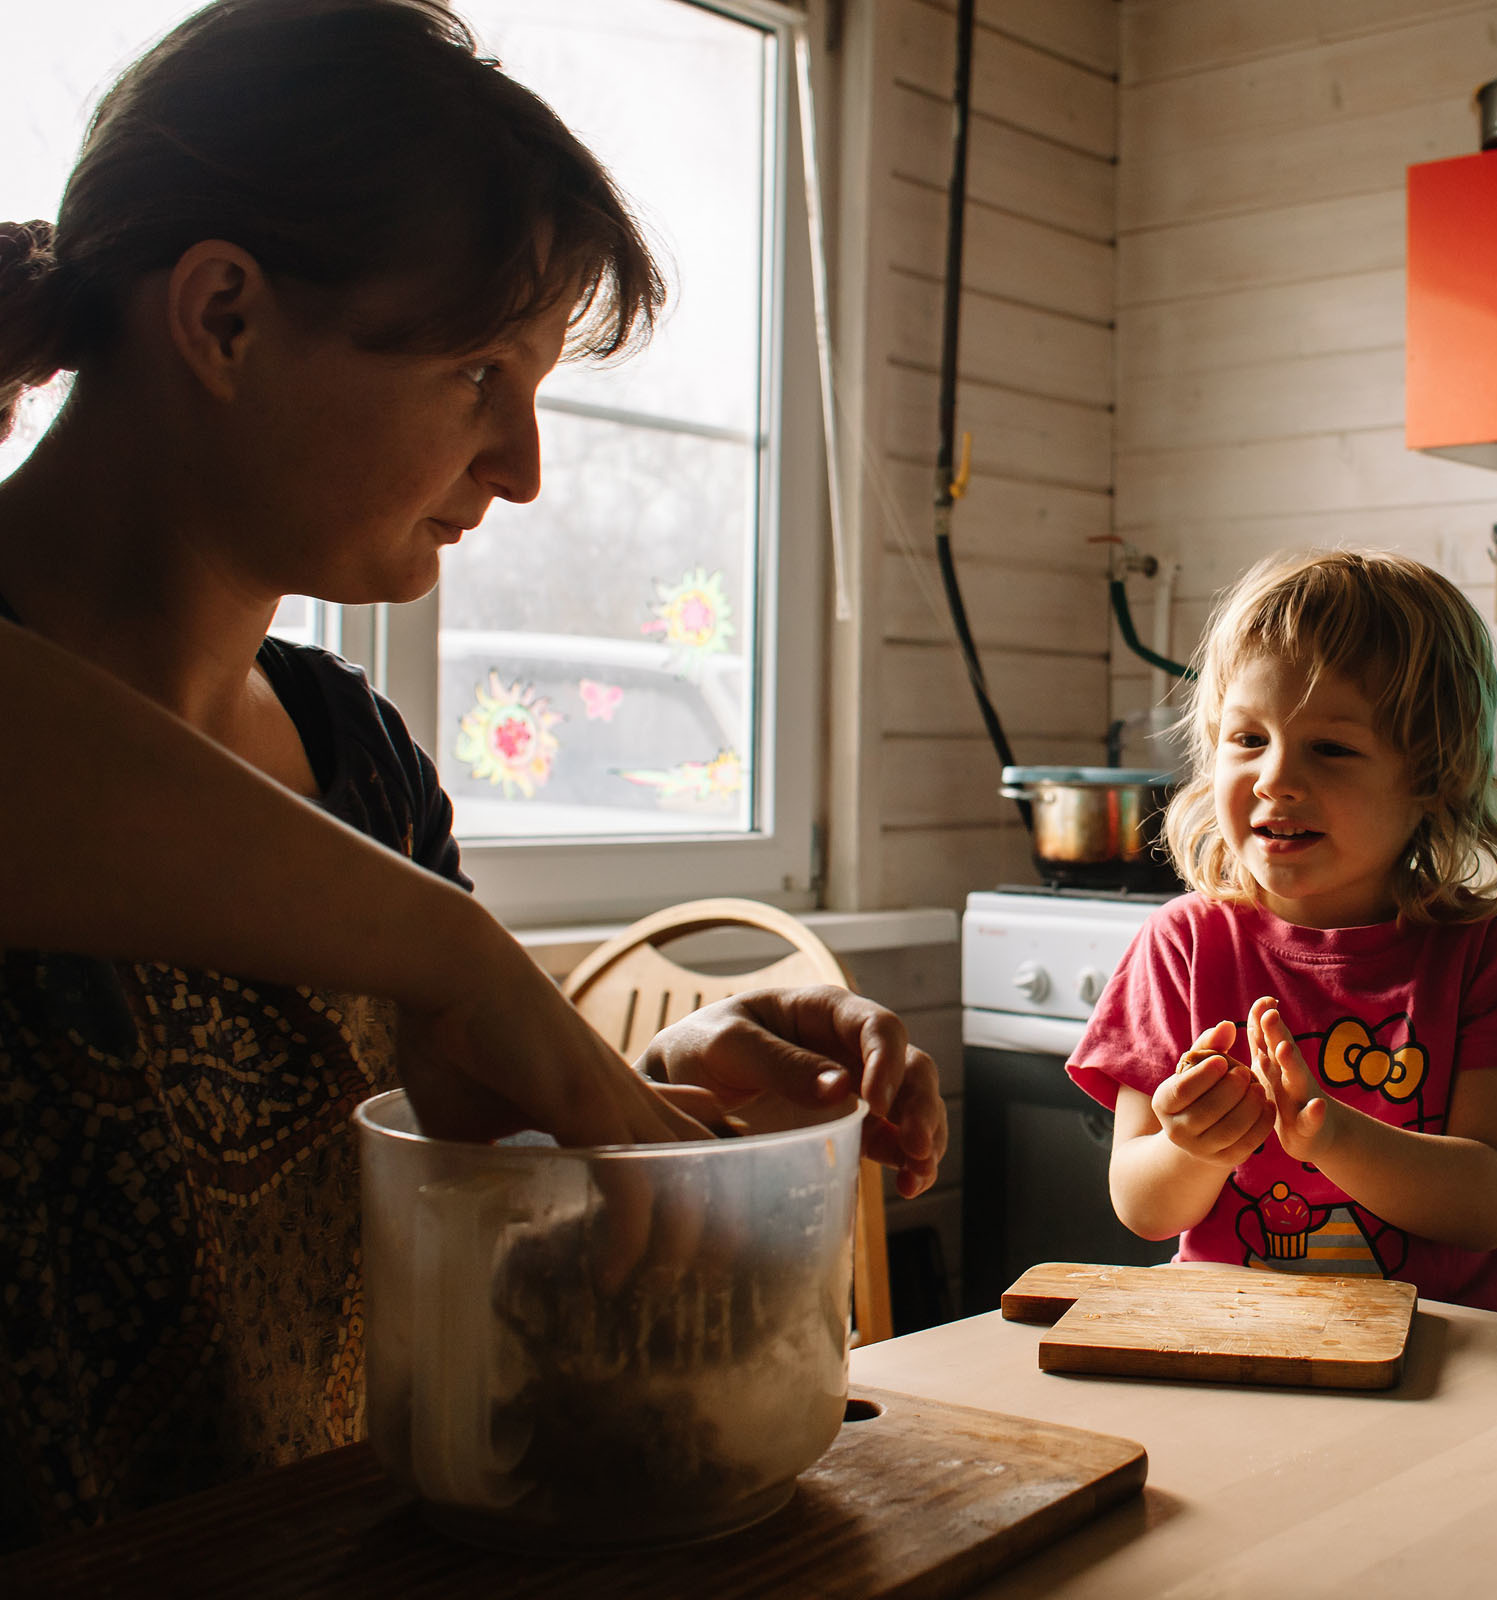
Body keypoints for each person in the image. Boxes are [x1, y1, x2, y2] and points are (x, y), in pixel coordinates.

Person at [0, 0, 942, 1548]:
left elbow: (474, 1159)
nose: (523, 467)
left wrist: (661, 1092)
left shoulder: (357, 755)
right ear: (224, 317)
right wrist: (463, 956)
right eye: (477, 377)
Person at [1070, 550, 1497, 1310]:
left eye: (1332, 748)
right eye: (1248, 739)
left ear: (1431, 778)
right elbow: (1143, 1205)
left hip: (1436, 1355)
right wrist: (1191, 1147)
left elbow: (1488, 1205)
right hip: (1226, 1341)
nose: (1275, 777)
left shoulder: (1487, 955)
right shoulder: (1182, 947)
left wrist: (1331, 1138)